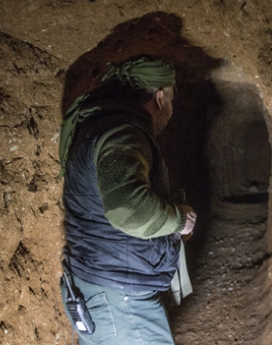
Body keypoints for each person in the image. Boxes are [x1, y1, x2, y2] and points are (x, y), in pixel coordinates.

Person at [57, 55, 197, 345]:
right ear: (160, 97)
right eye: (170, 99)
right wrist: (178, 221)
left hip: (101, 289)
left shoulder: (98, 125)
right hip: (120, 299)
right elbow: (129, 210)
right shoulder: (122, 132)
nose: (170, 108)